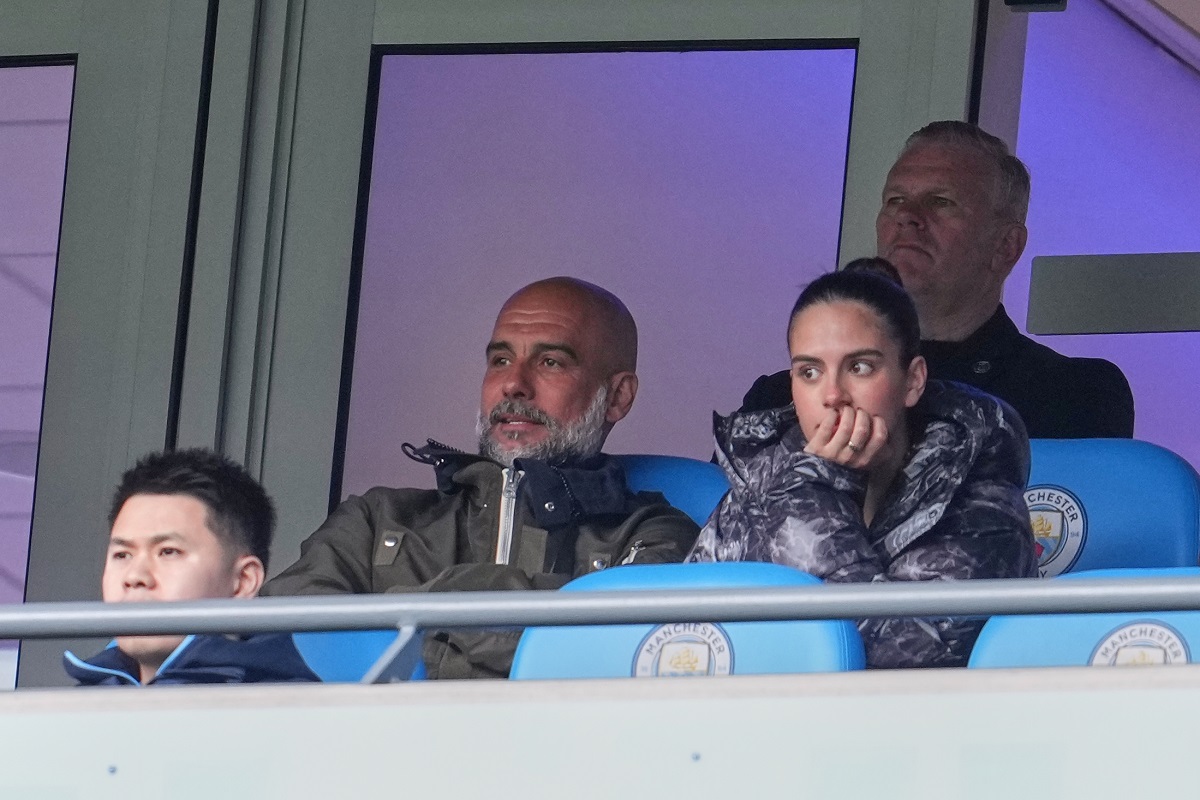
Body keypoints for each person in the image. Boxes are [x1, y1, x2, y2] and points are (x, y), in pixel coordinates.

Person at [262, 277, 700, 679]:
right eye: (501, 359)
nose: (514, 384)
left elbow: (616, 653)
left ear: (617, 397)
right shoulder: (377, 519)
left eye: (550, 361)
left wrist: (425, 607)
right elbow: (277, 640)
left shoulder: (658, 532)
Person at [691, 260, 1038, 668]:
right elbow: (688, 641)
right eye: (809, 371)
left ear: (913, 382)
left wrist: (813, 494)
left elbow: (903, 662)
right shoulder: (755, 493)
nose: (833, 394)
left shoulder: (984, 509)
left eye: (860, 367)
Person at [739, 121, 1134, 439]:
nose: (908, 216)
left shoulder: (1073, 396)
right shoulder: (778, 402)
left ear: (1005, 246)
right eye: (895, 200)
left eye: (940, 202)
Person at [64, 448, 319, 686]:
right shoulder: (74, 707)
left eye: (168, 552)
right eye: (122, 555)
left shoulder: (288, 711)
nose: (135, 576)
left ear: (243, 581)